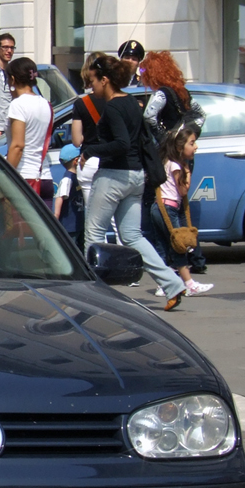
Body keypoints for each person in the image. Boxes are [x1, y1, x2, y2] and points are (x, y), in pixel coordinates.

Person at [80, 54, 186, 310]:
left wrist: (90, 150)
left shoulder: (114, 107)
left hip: (112, 176)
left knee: (93, 236)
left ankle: (92, 294)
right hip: (136, 176)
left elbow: (121, 143)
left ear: (105, 80)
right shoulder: (131, 103)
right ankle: (172, 284)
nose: (91, 86)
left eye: (93, 81)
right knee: (132, 236)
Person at [139, 50, 208, 273]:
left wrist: (165, 137)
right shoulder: (184, 93)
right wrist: (188, 134)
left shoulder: (161, 94)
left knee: (162, 203)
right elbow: (201, 115)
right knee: (181, 203)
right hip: (185, 156)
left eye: (144, 71)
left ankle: (170, 258)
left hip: (168, 157)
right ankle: (193, 256)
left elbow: (149, 116)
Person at [150, 127, 213, 298]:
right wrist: (188, 172)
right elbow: (183, 191)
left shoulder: (166, 162)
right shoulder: (177, 166)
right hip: (168, 209)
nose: (196, 147)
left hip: (158, 207)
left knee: (163, 247)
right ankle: (189, 283)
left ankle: (162, 285)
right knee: (179, 246)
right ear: (179, 147)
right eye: (192, 143)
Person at [4, 57, 54, 206]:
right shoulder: (46, 104)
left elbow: (18, 146)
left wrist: (4, 177)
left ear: (12, 79)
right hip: (44, 177)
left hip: (24, 177)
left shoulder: (18, 105)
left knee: (20, 229)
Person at [71, 50, 108, 206]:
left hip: (89, 161)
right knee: (115, 219)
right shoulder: (118, 101)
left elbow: (76, 141)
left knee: (92, 218)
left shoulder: (82, 103)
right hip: (111, 161)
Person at [53, 144, 84, 250]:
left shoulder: (78, 177)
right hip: (69, 224)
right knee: (71, 248)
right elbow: (60, 197)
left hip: (78, 222)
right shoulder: (68, 179)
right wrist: (56, 215)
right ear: (76, 161)